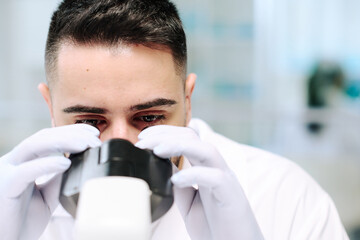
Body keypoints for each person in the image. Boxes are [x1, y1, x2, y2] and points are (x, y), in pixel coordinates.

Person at [0, 0, 349, 239]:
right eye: (90, 122)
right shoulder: (9, 200)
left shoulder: (283, 196)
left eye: (149, 116)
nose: (123, 143)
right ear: (49, 107)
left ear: (187, 99)